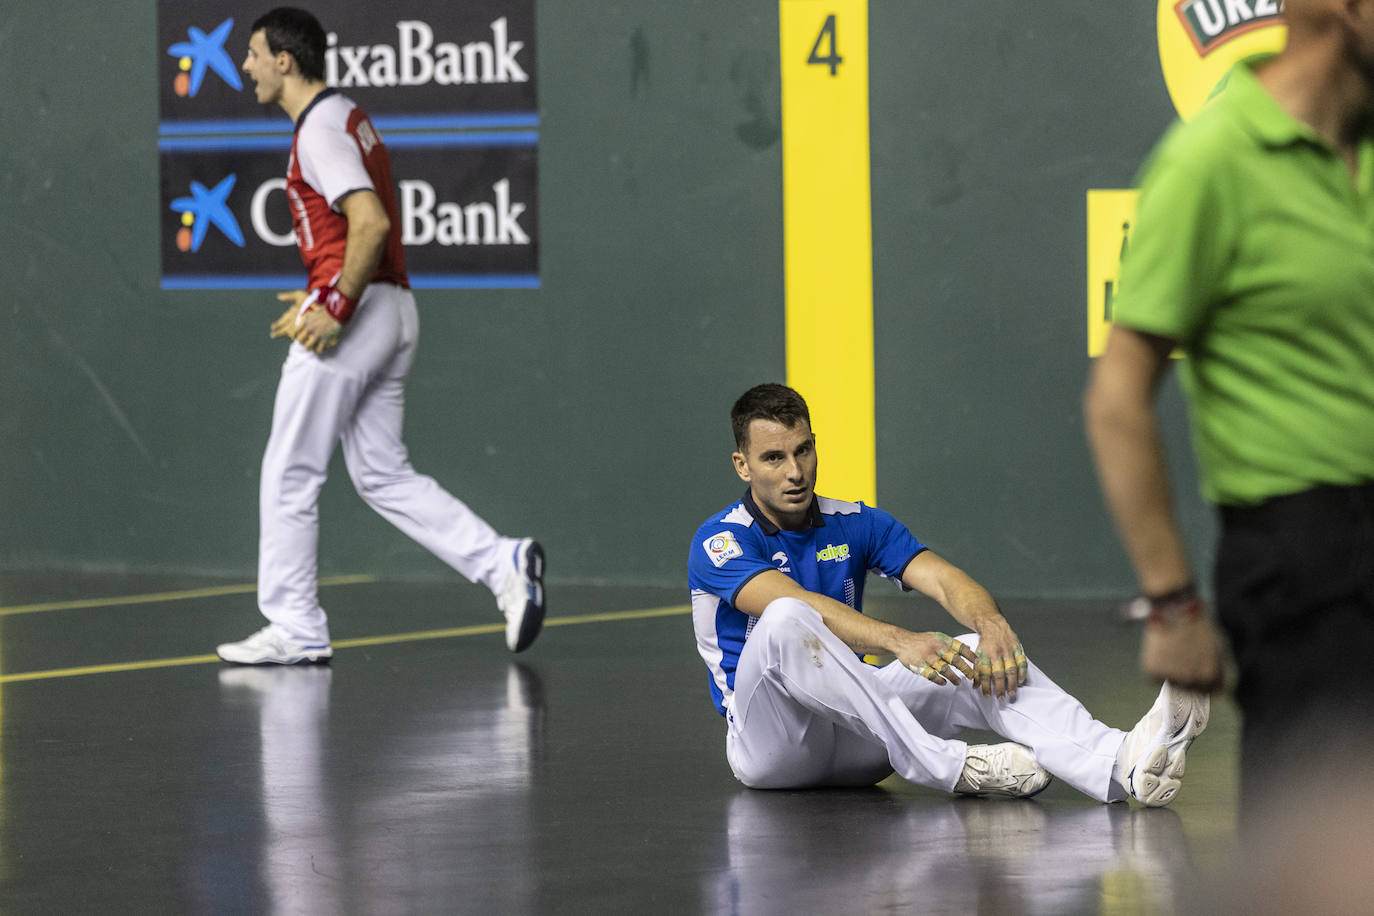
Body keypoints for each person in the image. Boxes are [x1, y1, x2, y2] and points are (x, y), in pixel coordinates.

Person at [1084, 0, 1374, 811]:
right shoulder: (1210, 162)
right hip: (1306, 566)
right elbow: (1118, 398)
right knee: (1320, 850)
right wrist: (1173, 605)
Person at [688, 383, 1209, 804]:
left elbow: (941, 578)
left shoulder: (855, 521)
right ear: (743, 465)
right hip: (774, 747)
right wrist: (899, 641)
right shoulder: (721, 540)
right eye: (774, 458)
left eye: (803, 450)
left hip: (865, 735)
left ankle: (1123, 764)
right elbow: (792, 606)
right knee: (785, 618)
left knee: (976, 655)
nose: (795, 472)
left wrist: (992, 625)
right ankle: (952, 766)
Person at [216, 8, 545, 665]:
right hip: (392, 309)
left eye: (253, 53)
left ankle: (296, 625)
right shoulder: (343, 117)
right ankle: (503, 563)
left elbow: (367, 224)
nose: (245, 66)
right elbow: (353, 233)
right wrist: (319, 285)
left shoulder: (319, 128)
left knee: (289, 469)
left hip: (360, 316)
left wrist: (334, 305)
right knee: (381, 473)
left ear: (285, 59)